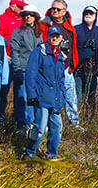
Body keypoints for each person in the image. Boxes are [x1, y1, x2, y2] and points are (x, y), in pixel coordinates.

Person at [24, 25, 67, 160]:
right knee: (40, 128)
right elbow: (31, 74)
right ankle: (30, 153)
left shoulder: (60, 55)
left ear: (60, 38)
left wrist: (63, 96)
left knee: (57, 128)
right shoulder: (39, 52)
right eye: (52, 36)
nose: (54, 38)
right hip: (41, 98)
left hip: (56, 99)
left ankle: (52, 155)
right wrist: (31, 94)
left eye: (57, 36)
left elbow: (61, 79)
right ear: (47, 37)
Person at [41, 0, 81, 127]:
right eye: (53, 8)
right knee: (50, 96)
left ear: (64, 11)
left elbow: (73, 46)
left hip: (66, 68)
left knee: (71, 97)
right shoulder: (45, 25)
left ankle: (73, 123)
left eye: (58, 9)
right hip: (50, 68)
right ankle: (48, 124)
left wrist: (73, 64)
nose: (55, 11)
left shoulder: (69, 28)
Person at [0, 0, 28, 126]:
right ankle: (0, 117)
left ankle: (18, 118)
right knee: (3, 90)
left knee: (20, 91)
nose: (22, 9)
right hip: (7, 61)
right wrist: (3, 56)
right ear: (12, 6)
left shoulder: (23, 20)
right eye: (20, 7)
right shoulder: (2, 19)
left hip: (20, 61)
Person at [10, 4, 43, 130]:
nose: (28, 17)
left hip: (36, 71)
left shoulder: (38, 33)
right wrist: (17, 69)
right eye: (26, 15)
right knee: (21, 98)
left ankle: (33, 123)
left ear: (35, 17)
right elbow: (15, 52)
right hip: (22, 70)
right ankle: (22, 125)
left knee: (34, 98)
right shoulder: (18, 32)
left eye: (31, 15)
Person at [74, 5, 98, 117]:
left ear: (95, 16)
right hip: (77, 70)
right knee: (76, 95)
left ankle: (89, 120)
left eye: (91, 13)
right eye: (86, 13)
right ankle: (74, 120)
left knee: (90, 96)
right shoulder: (76, 29)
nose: (88, 15)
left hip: (92, 71)